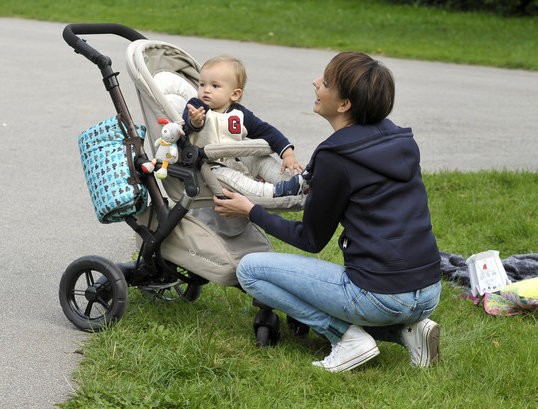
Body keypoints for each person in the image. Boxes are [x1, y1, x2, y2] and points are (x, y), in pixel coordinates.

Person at [213, 51, 442, 372]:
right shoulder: (400, 140)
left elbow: (311, 239)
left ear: (344, 104)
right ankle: (408, 331)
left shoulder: (337, 156)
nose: (315, 84)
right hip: (429, 289)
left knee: (250, 270)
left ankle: (347, 338)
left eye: (326, 82)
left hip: (381, 295)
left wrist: (250, 210)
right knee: (383, 295)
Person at [182, 55, 305, 198]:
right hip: (209, 167)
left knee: (261, 159)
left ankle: (295, 183)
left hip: (236, 159)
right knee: (232, 178)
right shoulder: (197, 107)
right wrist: (195, 122)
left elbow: (267, 131)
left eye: (215, 86)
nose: (206, 90)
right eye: (202, 84)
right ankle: (274, 192)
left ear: (234, 94)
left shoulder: (240, 114)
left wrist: (287, 154)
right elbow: (187, 126)